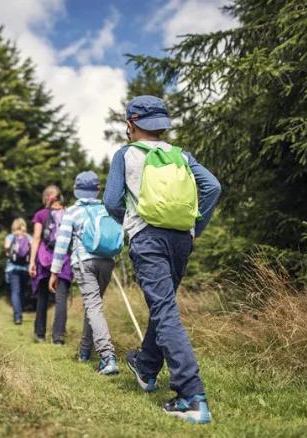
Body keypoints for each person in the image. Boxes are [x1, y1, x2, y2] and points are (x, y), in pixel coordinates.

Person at [104, 95, 221, 424]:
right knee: (164, 306)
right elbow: (212, 187)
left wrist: (130, 222)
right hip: (182, 238)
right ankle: (146, 366)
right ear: (161, 125)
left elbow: (112, 201)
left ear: (131, 124)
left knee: (165, 311)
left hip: (148, 237)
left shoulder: (125, 154)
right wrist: (196, 227)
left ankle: (192, 395)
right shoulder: (181, 154)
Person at [49, 171, 120, 375]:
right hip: (107, 262)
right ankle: (85, 352)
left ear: (76, 190)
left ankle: (107, 357)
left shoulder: (72, 212)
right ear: (98, 190)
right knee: (94, 306)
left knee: (93, 306)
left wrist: (54, 272)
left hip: (84, 262)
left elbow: (62, 244)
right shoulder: (107, 209)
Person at [29, 185, 72, 344]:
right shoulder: (68, 213)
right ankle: (58, 337)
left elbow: (36, 238)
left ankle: (40, 334)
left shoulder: (40, 215)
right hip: (64, 259)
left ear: (45, 198)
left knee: (42, 296)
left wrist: (32, 261)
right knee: (61, 297)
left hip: (44, 258)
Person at [4, 218, 32, 325]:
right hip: (25, 268)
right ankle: (20, 312)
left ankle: (17, 316)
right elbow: (33, 249)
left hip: (12, 268)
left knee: (15, 291)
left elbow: (6, 249)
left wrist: (10, 253)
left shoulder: (10, 237)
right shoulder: (28, 237)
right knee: (22, 291)